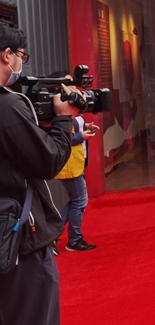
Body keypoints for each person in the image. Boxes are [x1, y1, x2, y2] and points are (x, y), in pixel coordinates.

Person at [0, 19, 75, 325]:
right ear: (7, 55)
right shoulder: (7, 106)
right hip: (17, 240)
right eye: (21, 55)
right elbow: (48, 161)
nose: (21, 62)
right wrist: (63, 120)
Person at [53, 74, 99, 251]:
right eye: (68, 83)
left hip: (76, 161)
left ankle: (55, 236)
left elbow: (73, 129)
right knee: (79, 201)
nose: (73, 87)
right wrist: (81, 136)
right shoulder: (59, 108)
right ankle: (71, 239)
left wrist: (86, 128)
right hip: (68, 163)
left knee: (78, 200)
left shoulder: (71, 106)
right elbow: (61, 137)